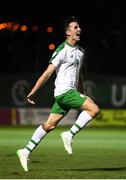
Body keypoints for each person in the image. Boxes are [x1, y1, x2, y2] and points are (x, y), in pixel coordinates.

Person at [16, 16, 99, 172]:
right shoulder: (61, 50)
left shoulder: (81, 52)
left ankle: (25, 150)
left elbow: (79, 75)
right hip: (64, 92)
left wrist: (82, 93)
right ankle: (69, 134)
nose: (79, 29)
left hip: (69, 94)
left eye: (79, 27)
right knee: (94, 109)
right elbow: (48, 73)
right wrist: (33, 91)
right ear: (68, 32)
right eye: (75, 27)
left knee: (50, 125)